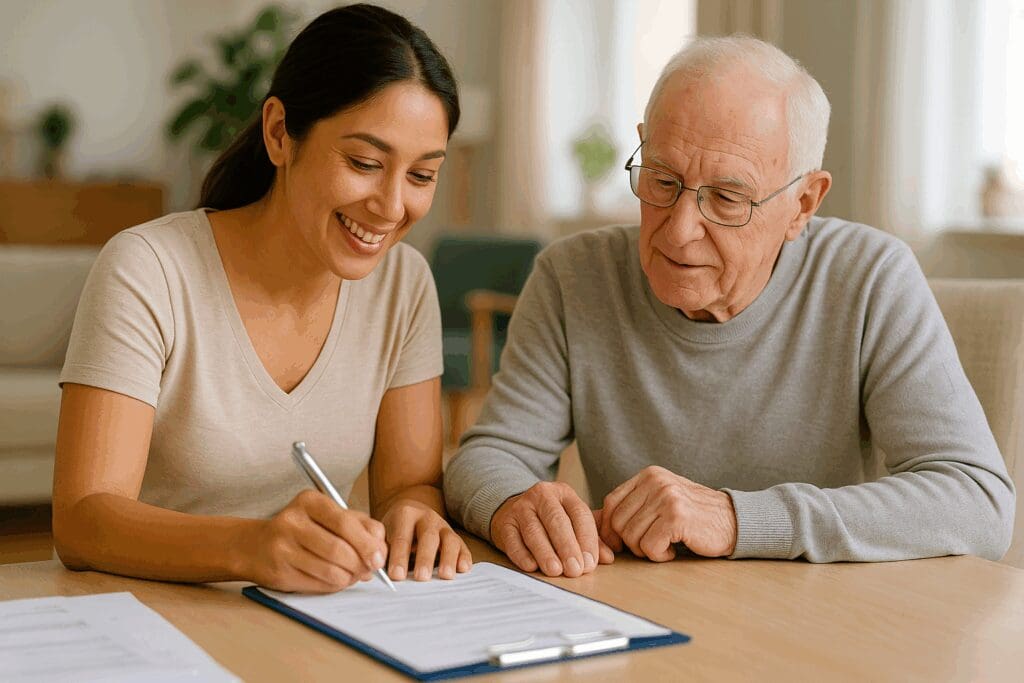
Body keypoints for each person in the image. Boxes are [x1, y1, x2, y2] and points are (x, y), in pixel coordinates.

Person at [444, 35, 1016, 577]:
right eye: (662, 180)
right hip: (640, 611)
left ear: (803, 204)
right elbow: (489, 455)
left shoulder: (869, 278)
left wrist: (738, 519)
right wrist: (513, 502)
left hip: (821, 623)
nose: (679, 231)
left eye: (726, 197)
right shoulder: (573, 276)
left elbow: (976, 500)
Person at [52, 4, 472, 593]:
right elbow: (81, 519)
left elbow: (408, 486)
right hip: (145, 614)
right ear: (280, 133)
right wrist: (247, 546)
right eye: (365, 163)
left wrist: (414, 517)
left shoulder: (403, 285)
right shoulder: (149, 270)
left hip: (300, 619)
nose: (392, 205)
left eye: (422, 176)